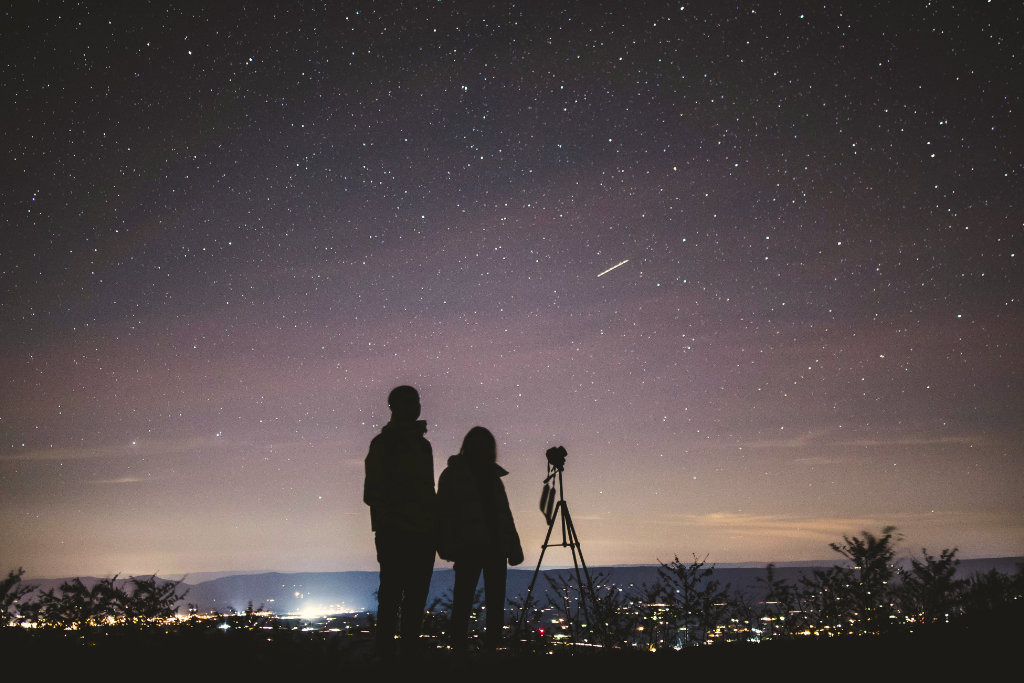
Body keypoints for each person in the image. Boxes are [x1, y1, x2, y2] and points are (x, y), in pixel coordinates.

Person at [363, 385, 436, 659]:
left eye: (416, 401)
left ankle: (406, 658)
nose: (416, 406)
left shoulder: (421, 445)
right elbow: (373, 493)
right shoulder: (384, 444)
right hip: (397, 532)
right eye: (410, 402)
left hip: (418, 533)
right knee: (394, 597)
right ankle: (390, 659)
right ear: (395, 407)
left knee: (411, 599)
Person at [437, 426, 524, 654]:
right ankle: (462, 650)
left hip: (489, 547)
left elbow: (504, 515)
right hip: (471, 547)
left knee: (485, 601)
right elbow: (444, 513)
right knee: (467, 600)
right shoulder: (457, 475)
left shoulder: (489, 477)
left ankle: (486, 650)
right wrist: (447, 545)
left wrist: (513, 547)